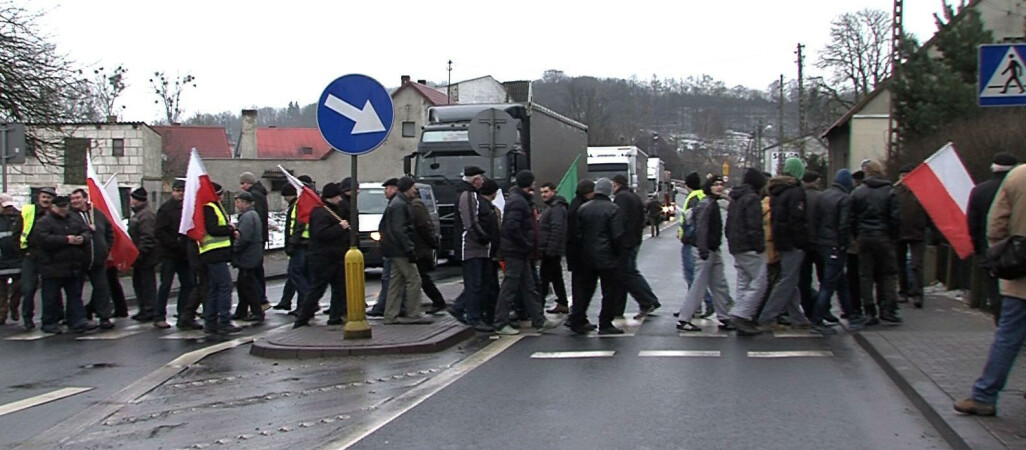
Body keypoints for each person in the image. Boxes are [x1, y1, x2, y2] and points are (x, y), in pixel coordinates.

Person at [954, 163, 1026, 417]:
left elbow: (995, 224)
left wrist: (1000, 254)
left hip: (1020, 276)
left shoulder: (1018, 176)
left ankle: (984, 396)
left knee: (1008, 337)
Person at [493, 170, 557, 335]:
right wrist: (526, 243)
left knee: (529, 287)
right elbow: (511, 227)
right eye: (533, 182)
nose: (535, 185)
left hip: (520, 251)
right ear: (529, 183)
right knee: (510, 287)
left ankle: (539, 320)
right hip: (515, 251)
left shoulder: (520, 200)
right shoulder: (518, 202)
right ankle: (501, 322)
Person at [757, 158, 812, 329]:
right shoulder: (796, 192)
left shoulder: (777, 191)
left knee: (789, 279)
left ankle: (797, 317)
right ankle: (768, 317)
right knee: (787, 280)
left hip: (780, 240)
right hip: (793, 242)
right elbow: (797, 219)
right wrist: (803, 241)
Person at [810, 169, 865, 335]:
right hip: (836, 245)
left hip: (823, 243)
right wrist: (844, 244)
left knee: (841, 281)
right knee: (829, 284)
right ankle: (817, 319)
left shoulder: (824, 195)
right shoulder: (845, 199)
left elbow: (816, 219)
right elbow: (843, 225)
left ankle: (851, 314)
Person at [676, 176, 734, 332]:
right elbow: (701, 228)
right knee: (699, 286)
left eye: (721, 184)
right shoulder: (707, 204)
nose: (719, 187)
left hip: (712, 249)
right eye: (716, 185)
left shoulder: (711, 202)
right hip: (706, 249)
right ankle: (684, 318)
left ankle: (724, 316)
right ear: (709, 187)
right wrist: (703, 249)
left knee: (719, 284)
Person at [567, 178, 624, 335]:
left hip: (587, 256)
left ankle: (577, 318)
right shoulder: (613, 209)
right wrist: (619, 254)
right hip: (607, 257)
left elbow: (577, 234)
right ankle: (605, 323)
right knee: (609, 292)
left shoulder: (583, 208)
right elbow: (617, 235)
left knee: (585, 290)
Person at [32, 195, 96, 334]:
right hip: (52, 265)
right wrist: (66, 240)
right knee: (51, 296)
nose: (63, 210)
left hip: (72, 265)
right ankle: (49, 322)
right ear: (53, 207)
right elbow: (42, 239)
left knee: (75, 295)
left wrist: (82, 238)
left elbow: (86, 231)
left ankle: (78, 321)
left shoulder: (73, 219)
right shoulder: (44, 222)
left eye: (65, 207)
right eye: (60, 207)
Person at [968, 153, 1019, 323]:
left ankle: (1000, 323)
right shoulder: (1017, 190)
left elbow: (973, 222)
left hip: (989, 249)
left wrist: (978, 248)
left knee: (995, 291)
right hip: (1017, 250)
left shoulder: (979, 190)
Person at [851, 160, 902, 325]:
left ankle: (869, 310)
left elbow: (851, 217)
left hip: (864, 236)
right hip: (884, 236)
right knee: (888, 273)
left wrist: (857, 234)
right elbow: (896, 218)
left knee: (866, 275)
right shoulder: (890, 191)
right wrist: (893, 236)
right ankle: (888, 308)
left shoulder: (858, 192)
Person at [294, 182, 350, 328]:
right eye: (337, 196)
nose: (340, 199)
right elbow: (321, 234)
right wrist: (340, 227)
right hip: (323, 258)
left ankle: (335, 317)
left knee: (340, 289)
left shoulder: (334, 210)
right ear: (331, 197)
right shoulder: (320, 212)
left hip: (336, 257)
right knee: (317, 289)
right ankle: (302, 318)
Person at [380, 176, 432, 325]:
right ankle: (413, 313)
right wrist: (409, 249)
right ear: (406, 189)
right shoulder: (400, 205)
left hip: (394, 248)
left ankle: (390, 315)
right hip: (400, 249)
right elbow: (399, 230)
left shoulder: (399, 202)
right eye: (413, 188)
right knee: (414, 280)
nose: (414, 190)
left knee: (396, 283)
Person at [610, 174, 661, 318]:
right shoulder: (634, 197)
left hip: (625, 242)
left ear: (616, 184)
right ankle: (618, 309)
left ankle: (647, 301)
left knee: (626, 274)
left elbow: (619, 220)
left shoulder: (621, 198)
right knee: (627, 273)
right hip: (634, 239)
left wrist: (617, 240)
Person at [725, 169, 769, 335]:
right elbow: (754, 225)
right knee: (760, 281)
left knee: (744, 281)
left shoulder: (735, 198)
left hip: (736, 245)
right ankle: (742, 315)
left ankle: (740, 313)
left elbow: (729, 224)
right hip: (749, 246)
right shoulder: (752, 199)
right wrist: (759, 246)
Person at [446, 166, 491, 327]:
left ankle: (460, 308)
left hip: (476, 247)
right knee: (474, 285)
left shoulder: (471, 194)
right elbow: (470, 223)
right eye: (481, 179)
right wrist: (484, 238)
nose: (483, 182)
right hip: (471, 248)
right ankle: (473, 318)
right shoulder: (468, 196)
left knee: (479, 283)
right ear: (475, 180)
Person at [70, 189, 116, 330]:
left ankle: (104, 316)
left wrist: (105, 249)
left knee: (102, 288)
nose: (75, 201)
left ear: (85, 198)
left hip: (97, 259)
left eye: (78, 198)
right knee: (75, 291)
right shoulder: (70, 216)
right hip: (79, 260)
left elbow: (109, 232)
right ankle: (76, 318)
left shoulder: (97, 214)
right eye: (72, 199)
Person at [154, 180, 195, 329]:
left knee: (188, 284)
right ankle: (159, 316)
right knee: (166, 285)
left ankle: (183, 314)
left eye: (183, 191)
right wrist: (174, 243)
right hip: (169, 254)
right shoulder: (166, 209)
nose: (180, 194)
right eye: (178, 191)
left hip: (184, 254)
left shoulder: (188, 208)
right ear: (173, 192)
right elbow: (159, 231)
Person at [16, 186, 55, 330]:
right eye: (44, 197)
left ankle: (49, 319)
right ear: (39, 198)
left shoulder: (54, 214)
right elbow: (17, 234)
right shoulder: (28, 211)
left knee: (50, 290)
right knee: (28, 288)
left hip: (49, 257)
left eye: (49, 198)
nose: (46, 200)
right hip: (31, 256)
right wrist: (23, 252)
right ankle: (27, 318)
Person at [679, 172, 713, 318]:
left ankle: (706, 302)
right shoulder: (702, 196)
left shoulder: (693, 198)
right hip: (698, 240)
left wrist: (686, 235)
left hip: (691, 241)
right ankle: (694, 306)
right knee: (694, 275)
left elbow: (691, 220)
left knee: (691, 275)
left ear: (687, 185)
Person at [895, 165, 929, 309]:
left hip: (917, 233)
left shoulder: (922, 192)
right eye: (903, 175)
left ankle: (917, 294)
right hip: (899, 233)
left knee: (916, 265)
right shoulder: (895, 192)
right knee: (900, 264)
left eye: (908, 175)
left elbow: (930, 213)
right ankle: (903, 291)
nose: (905, 178)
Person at [411, 185, 446, 315]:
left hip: (419, 247)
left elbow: (424, 226)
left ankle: (438, 301)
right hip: (419, 246)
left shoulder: (416, 206)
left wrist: (432, 243)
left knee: (421, 277)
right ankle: (438, 301)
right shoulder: (414, 204)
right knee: (420, 276)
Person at [368, 178, 400, 318]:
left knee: (389, 279)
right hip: (393, 248)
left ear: (394, 189)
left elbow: (395, 228)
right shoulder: (394, 203)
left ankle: (383, 307)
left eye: (387, 189)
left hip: (393, 249)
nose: (385, 192)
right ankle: (389, 306)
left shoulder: (396, 204)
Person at [565, 179, 595, 325]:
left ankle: (577, 317)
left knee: (580, 287)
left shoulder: (575, 204)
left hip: (575, 254)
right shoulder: (580, 207)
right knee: (583, 287)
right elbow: (578, 233)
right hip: (580, 255)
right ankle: (578, 318)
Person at [128, 187, 160, 323]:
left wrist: (139, 253)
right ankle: (144, 308)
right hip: (140, 256)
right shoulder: (139, 214)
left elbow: (147, 237)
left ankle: (149, 309)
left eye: (131, 198)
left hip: (145, 257)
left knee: (146, 284)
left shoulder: (145, 215)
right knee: (139, 283)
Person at [238, 172, 269, 311]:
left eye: (242, 183)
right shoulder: (260, 193)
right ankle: (254, 304)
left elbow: (257, 219)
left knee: (253, 273)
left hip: (254, 241)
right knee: (255, 272)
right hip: (259, 239)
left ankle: (259, 302)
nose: (241, 186)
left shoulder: (254, 196)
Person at [275, 183, 308, 312]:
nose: (284, 199)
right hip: (302, 245)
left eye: (285, 196)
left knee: (297, 275)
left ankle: (307, 303)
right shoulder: (299, 204)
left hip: (299, 245)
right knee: (297, 275)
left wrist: (292, 243)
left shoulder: (297, 206)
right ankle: (296, 305)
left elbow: (297, 226)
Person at [233, 191, 264, 323]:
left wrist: (234, 249)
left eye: (238, 201)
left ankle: (257, 311)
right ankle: (241, 311)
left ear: (245, 203)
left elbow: (244, 238)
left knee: (248, 286)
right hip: (251, 255)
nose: (236, 204)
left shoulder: (247, 217)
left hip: (248, 256)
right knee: (243, 285)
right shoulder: (251, 215)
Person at [538, 182, 569, 314]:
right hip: (550, 249)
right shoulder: (552, 207)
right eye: (542, 192)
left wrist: (550, 249)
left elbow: (557, 229)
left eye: (546, 192)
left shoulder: (556, 208)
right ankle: (562, 302)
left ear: (554, 192)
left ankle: (538, 306)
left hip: (550, 250)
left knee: (544, 279)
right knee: (556, 277)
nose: (543, 195)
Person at [798, 170, 825, 320]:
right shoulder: (822, 197)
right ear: (816, 181)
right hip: (820, 243)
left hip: (803, 244)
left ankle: (808, 309)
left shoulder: (799, 196)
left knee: (804, 280)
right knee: (824, 279)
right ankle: (821, 310)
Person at [0, 194, 21, 326]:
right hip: (1, 261)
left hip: (17, 259)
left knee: (19, 288)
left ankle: (14, 307)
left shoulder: (19, 217)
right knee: (1, 292)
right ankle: (2, 314)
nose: (9, 210)